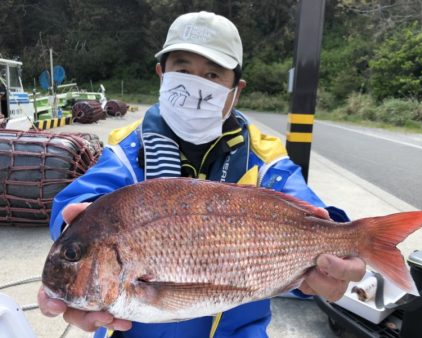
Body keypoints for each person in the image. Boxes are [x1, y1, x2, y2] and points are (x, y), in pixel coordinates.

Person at [38, 11, 365, 338]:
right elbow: (78, 199)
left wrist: (338, 252)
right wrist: (77, 232)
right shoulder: (128, 149)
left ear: (236, 89)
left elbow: (311, 211)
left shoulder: (264, 159)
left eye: (212, 74)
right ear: (161, 74)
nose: (196, 86)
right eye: (182, 69)